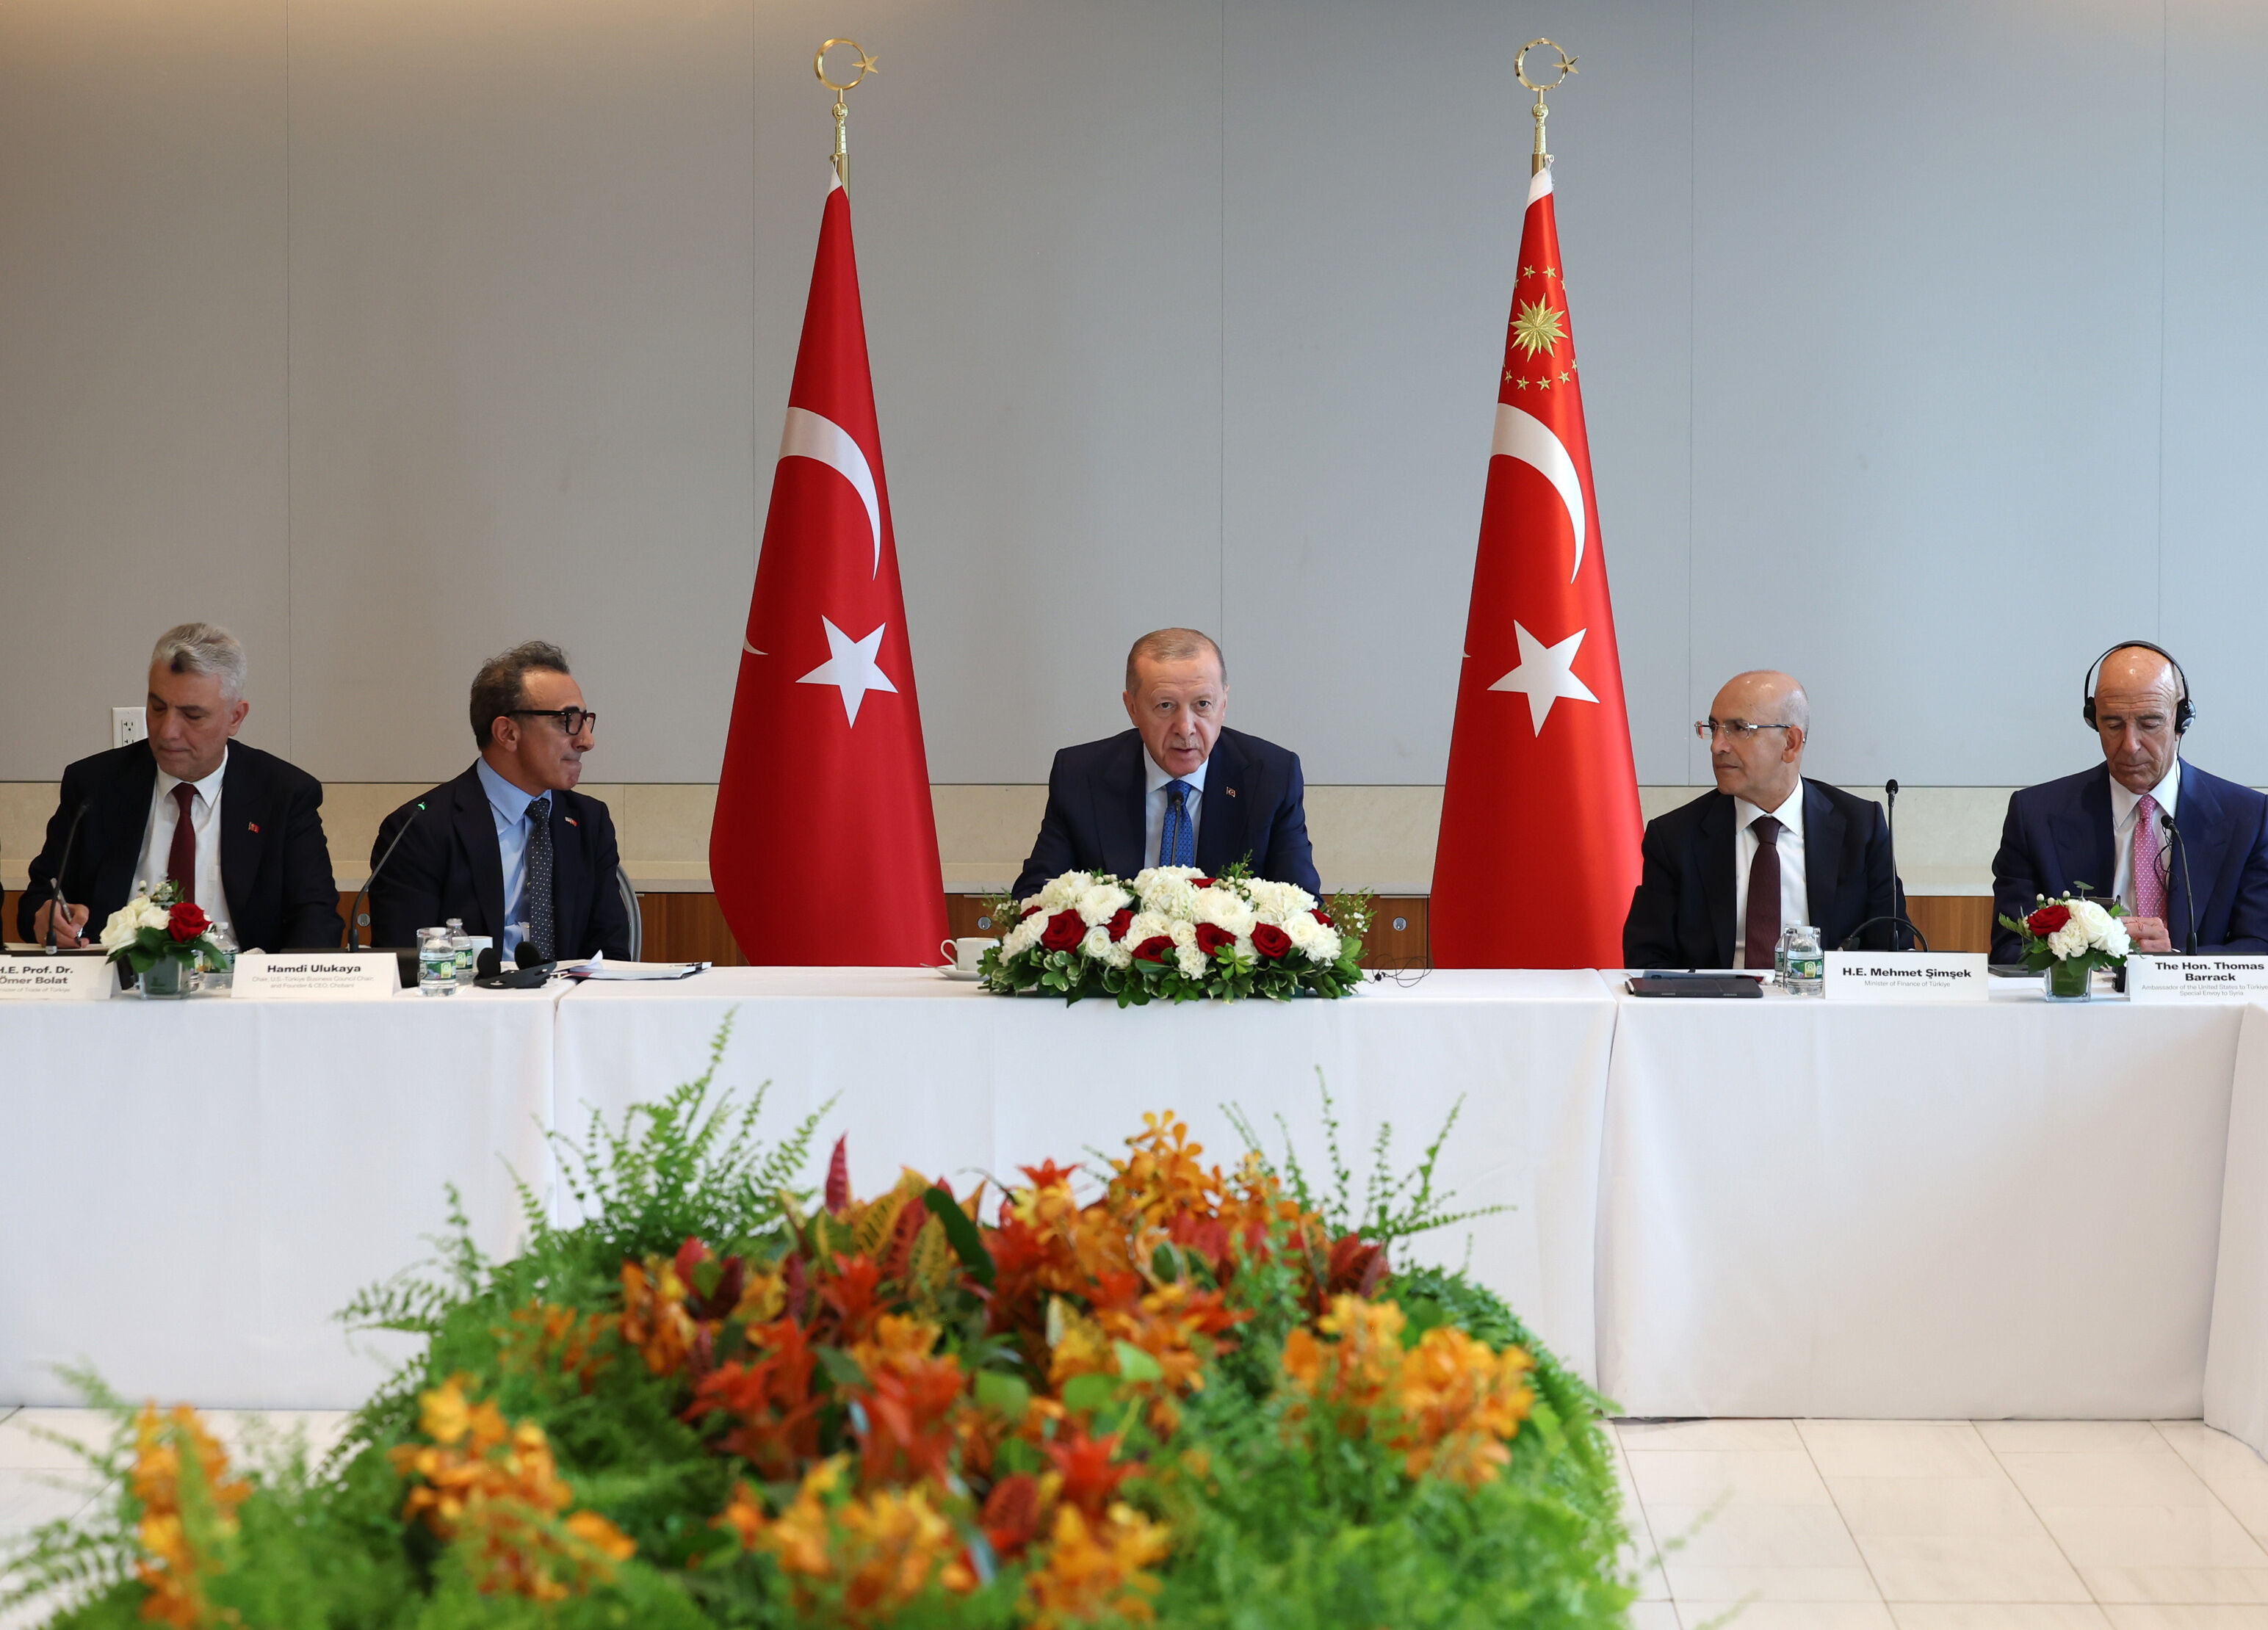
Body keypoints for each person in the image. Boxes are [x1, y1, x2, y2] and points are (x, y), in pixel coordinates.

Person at [18, 623, 341, 950]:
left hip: (239, 990)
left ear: (235, 718)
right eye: (158, 708)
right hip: (118, 987)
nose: (167, 731)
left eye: (192, 715)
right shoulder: (94, 786)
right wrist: (46, 917)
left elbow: (318, 919)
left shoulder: (285, 794)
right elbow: (41, 896)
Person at [1991, 642, 2268, 960]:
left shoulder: (2248, 818)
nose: (2130, 745)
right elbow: (2010, 952)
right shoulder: (2035, 816)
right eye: (2113, 725)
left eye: (2149, 724)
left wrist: (2172, 963)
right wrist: (2092, 956)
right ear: (2093, 720)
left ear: (2181, 721)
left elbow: (2259, 948)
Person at [368, 641, 632, 962]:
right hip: (469, 1008)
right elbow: (408, 963)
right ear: (507, 733)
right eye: (567, 720)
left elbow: (612, 954)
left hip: (569, 1007)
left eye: (585, 721)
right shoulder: (420, 829)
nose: (586, 740)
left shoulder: (590, 822)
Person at [1011, 629, 1321, 901]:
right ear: (1132, 708)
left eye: (1202, 705)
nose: (1185, 728)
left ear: (1223, 705)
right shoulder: (1081, 775)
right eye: (1165, 706)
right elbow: (1036, 894)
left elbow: (1302, 906)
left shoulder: (1271, 777)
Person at [1622, 669, 1903, 968]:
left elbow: (1891, 952)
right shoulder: (1675, 837)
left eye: (1739, 728)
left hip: (1826, 1010)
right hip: (1715, 1010)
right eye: (1714, 727)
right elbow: (1648, 960)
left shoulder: (1861, 828)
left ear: (1791, 743)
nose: (1717, 745)